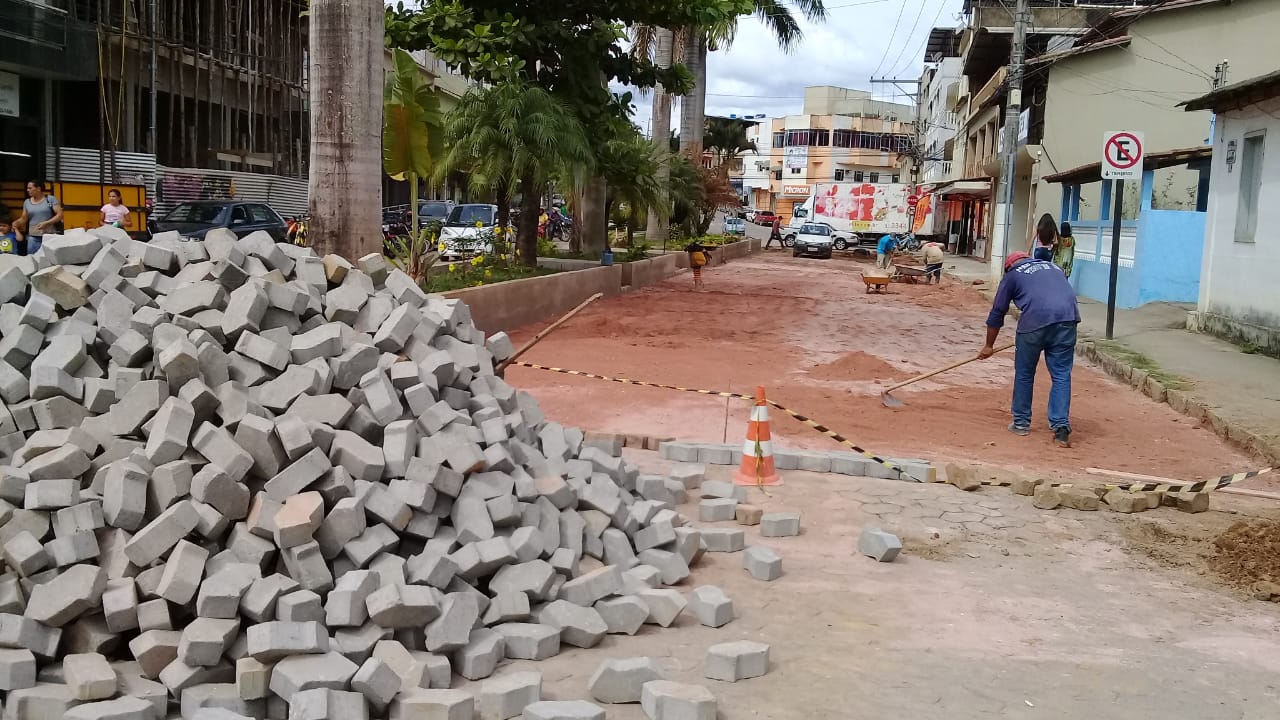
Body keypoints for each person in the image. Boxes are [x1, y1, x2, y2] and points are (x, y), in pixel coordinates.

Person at [979, 251, 1081, 447]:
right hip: (1068, 319)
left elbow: (997, 312)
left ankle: (1021, 423)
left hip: (1034, 322)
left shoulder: (1013, 275)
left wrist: (989, 346)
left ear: (1008, 266)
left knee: (1025, 373)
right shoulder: (1054, 267)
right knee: (1061, 374)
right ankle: (1061, 428)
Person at [15, 180, 62, 256]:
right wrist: (16, 223)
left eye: (30, 188)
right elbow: (24, 218)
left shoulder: (50, 199)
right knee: (32, 259)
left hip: (49, 236)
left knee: (50, 259)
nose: (28, 190)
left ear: (38, 189)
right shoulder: (27, 202)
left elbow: (60, 215)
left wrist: (47, 223)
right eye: (27, 188)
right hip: (33, 237)